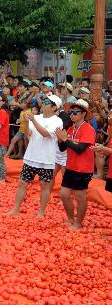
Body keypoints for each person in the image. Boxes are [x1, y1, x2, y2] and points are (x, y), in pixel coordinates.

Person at [8, 95, 62, 217]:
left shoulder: (57, 121)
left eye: (47, 102)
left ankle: (41, 212)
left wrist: (32, 120)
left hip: (46, 159)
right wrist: (26, 122)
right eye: (43, 101)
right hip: (31, 157)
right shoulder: (36, 117)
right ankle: (16, 209)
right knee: (22, 183)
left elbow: (45, 134)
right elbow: (28, 134)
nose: (43, 103)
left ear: (54, 107)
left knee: (45, 186)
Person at [56, 99, 95, 230]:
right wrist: (60, 140)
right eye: (70, 112)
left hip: (83, 168)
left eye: (74, 112)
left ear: (83, 114)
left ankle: (78, 223)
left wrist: (65, 140)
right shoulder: (71, 129)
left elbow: (80, 149)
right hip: (71, 166)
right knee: (64, 194)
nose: (71, 115)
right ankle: (71, 219)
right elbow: (62, 149)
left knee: (79, 195)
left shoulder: (88, 129)